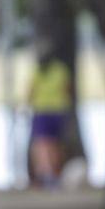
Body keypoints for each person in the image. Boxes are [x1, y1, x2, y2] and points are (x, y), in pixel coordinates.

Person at [26, 56, 72, 188]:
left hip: (41, 111)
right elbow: (67, 90)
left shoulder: (37, 70)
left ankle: (45, 174)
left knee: (42, 144)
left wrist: (27, 106)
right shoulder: (60, 70)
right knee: (54, 145)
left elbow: (30, 92)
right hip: (58, 111)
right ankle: (54, 175)